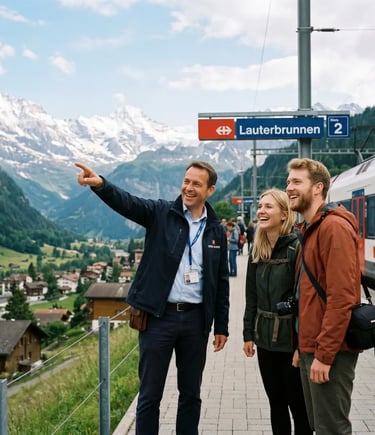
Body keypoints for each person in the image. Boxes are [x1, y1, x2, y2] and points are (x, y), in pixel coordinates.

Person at [75, 160, 230, 435]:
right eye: (186, 181)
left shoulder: (216, 229)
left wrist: (222, 326)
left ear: (210, 190)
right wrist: (100, 185)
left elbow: (220, 281)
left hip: (196, 322)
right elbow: (128, 203)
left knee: (191, 394)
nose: (189, 188)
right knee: (149, 395)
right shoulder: (160, 212)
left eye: (197, 183)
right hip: (159, 318)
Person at [286, 158, 361, 435]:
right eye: (288, 182)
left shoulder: (333, 228)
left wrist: (325, 355)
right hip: (312, 347)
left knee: (332, 429)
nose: (289, 188)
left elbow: (341, 298)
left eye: (296, 182)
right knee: (320, 427)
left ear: (317, 188)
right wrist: (301, 347)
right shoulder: (310, 229)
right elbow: (307, 296)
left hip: (330, 352)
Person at [243, 189, 312, 435]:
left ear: (284, 214)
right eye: (260, 206)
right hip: (264, 340)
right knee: (276, 404)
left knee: (299, 406)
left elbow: (305, 301)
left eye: (268, 207)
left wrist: (300, 347)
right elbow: (251, 296)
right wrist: (248, 334)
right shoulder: (257, 249)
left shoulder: (297, 248)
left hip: (290, 340)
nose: (261, 210)